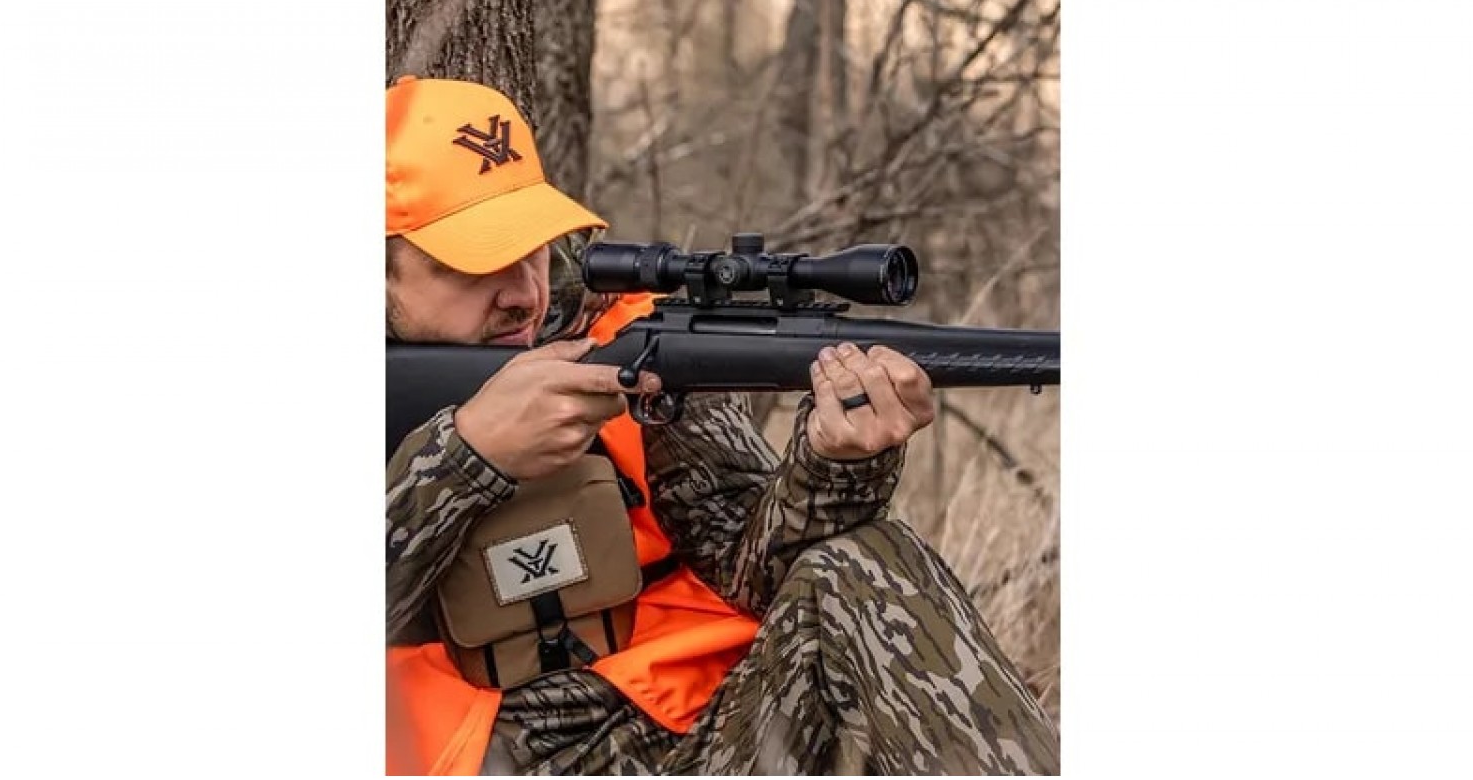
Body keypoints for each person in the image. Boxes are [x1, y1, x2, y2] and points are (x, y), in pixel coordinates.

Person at [385, 76, 1060, 775]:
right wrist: (468, 460)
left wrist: (833, 466)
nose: (522, 293)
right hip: (469, 760)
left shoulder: (625, 347)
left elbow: (754, 574)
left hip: (694, 741)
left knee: (866, 559)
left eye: (530, 248)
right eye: (473, 263)